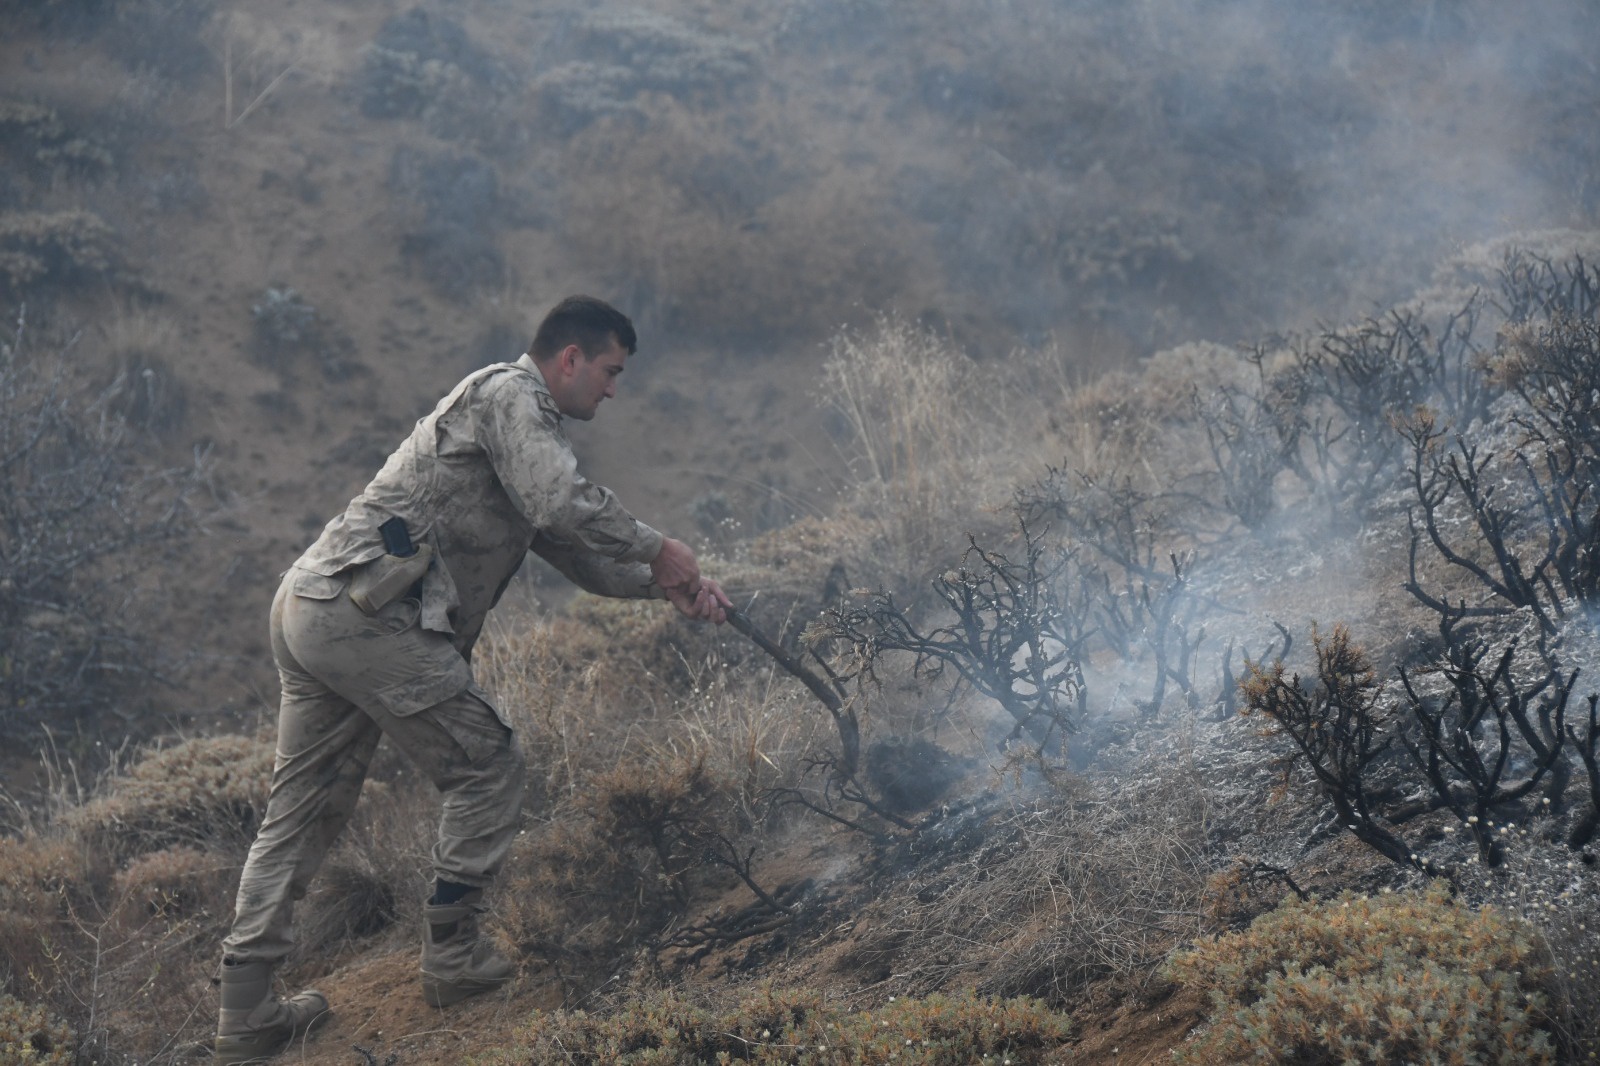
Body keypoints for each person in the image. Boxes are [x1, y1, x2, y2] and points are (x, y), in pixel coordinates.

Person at [214, 296, 731, 1064]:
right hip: (365, 619)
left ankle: (246, 1016)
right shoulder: (508, 396)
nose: (613, 390)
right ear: (569, 360)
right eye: (610, 371)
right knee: (489, 764)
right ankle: (452, 957)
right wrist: (660, 548)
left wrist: (664, 586)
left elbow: (574, 549)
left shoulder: (520, 427)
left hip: (319, 608)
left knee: (302, 813)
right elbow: (561, 501)